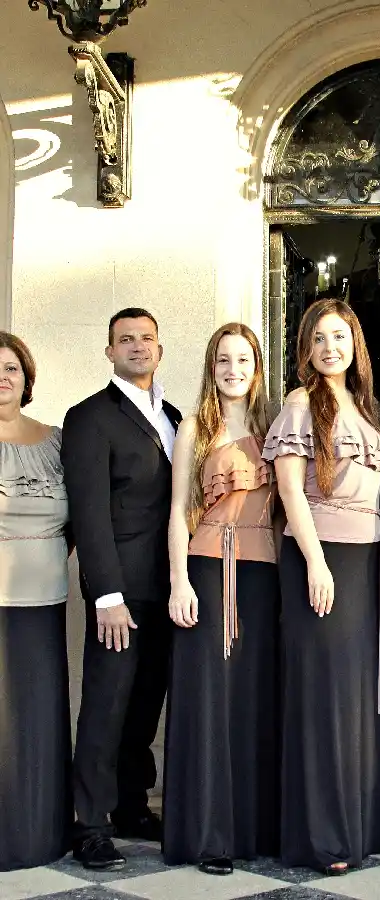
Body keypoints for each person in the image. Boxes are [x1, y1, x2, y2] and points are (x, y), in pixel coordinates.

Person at [263, 299, 380, 874]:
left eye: (339, 337)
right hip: (321, 558)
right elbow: (291, 492)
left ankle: (359, 824)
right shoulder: (299, 404)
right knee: (324, 697)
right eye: (319, 339)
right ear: (306, 350)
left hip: (367, 562)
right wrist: (317, 563)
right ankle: (322, 837)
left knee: (358, 696)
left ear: (354, 344)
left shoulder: (366, 407)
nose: (330, 348)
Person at [62, 308, 181, 871]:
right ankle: (89, 823)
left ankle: (133, 805)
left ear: (160, 348)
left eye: (146, 338)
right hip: (121, 593)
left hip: (169, 587)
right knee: (107, 704)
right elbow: (88, 512)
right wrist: (106, 594)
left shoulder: (176, 416)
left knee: (145, 702)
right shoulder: (88, 417)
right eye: (125, 340)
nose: (137, 347)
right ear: (109, 351)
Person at [161, 324, 279, 875]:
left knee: (254, 697)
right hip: (208, 572)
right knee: (209, 701)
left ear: (257, 366)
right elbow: (178, 511)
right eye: (224, 360)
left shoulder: (275, 425)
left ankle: (254, 828)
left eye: (244, 360)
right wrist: (179, 581)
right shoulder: (194, 428)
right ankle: (209, 836)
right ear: (212, 367)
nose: (234, 370)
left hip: (264, 577)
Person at [0, 333, 71, 871]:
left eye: (11, 368)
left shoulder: (56, 441)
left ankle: (41, 833)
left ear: (26, 379)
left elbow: (77, 521)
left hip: (45, 602)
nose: (2, 377)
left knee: (39, 717)